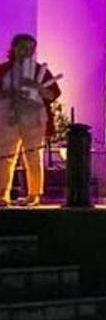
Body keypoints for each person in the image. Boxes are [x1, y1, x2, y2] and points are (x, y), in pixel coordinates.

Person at [0, 34, 55, 206]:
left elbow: (52, 94)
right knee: (5, 155)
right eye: (23, 47)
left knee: (33, 155)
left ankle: (34, 194)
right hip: (7, 115)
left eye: (30, 49)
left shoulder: (39, 71)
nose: (26, 52)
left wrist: (37, 87)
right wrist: (11, 93)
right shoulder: (4, 70)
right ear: (14, 48)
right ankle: (3, 193)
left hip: (33, 117)